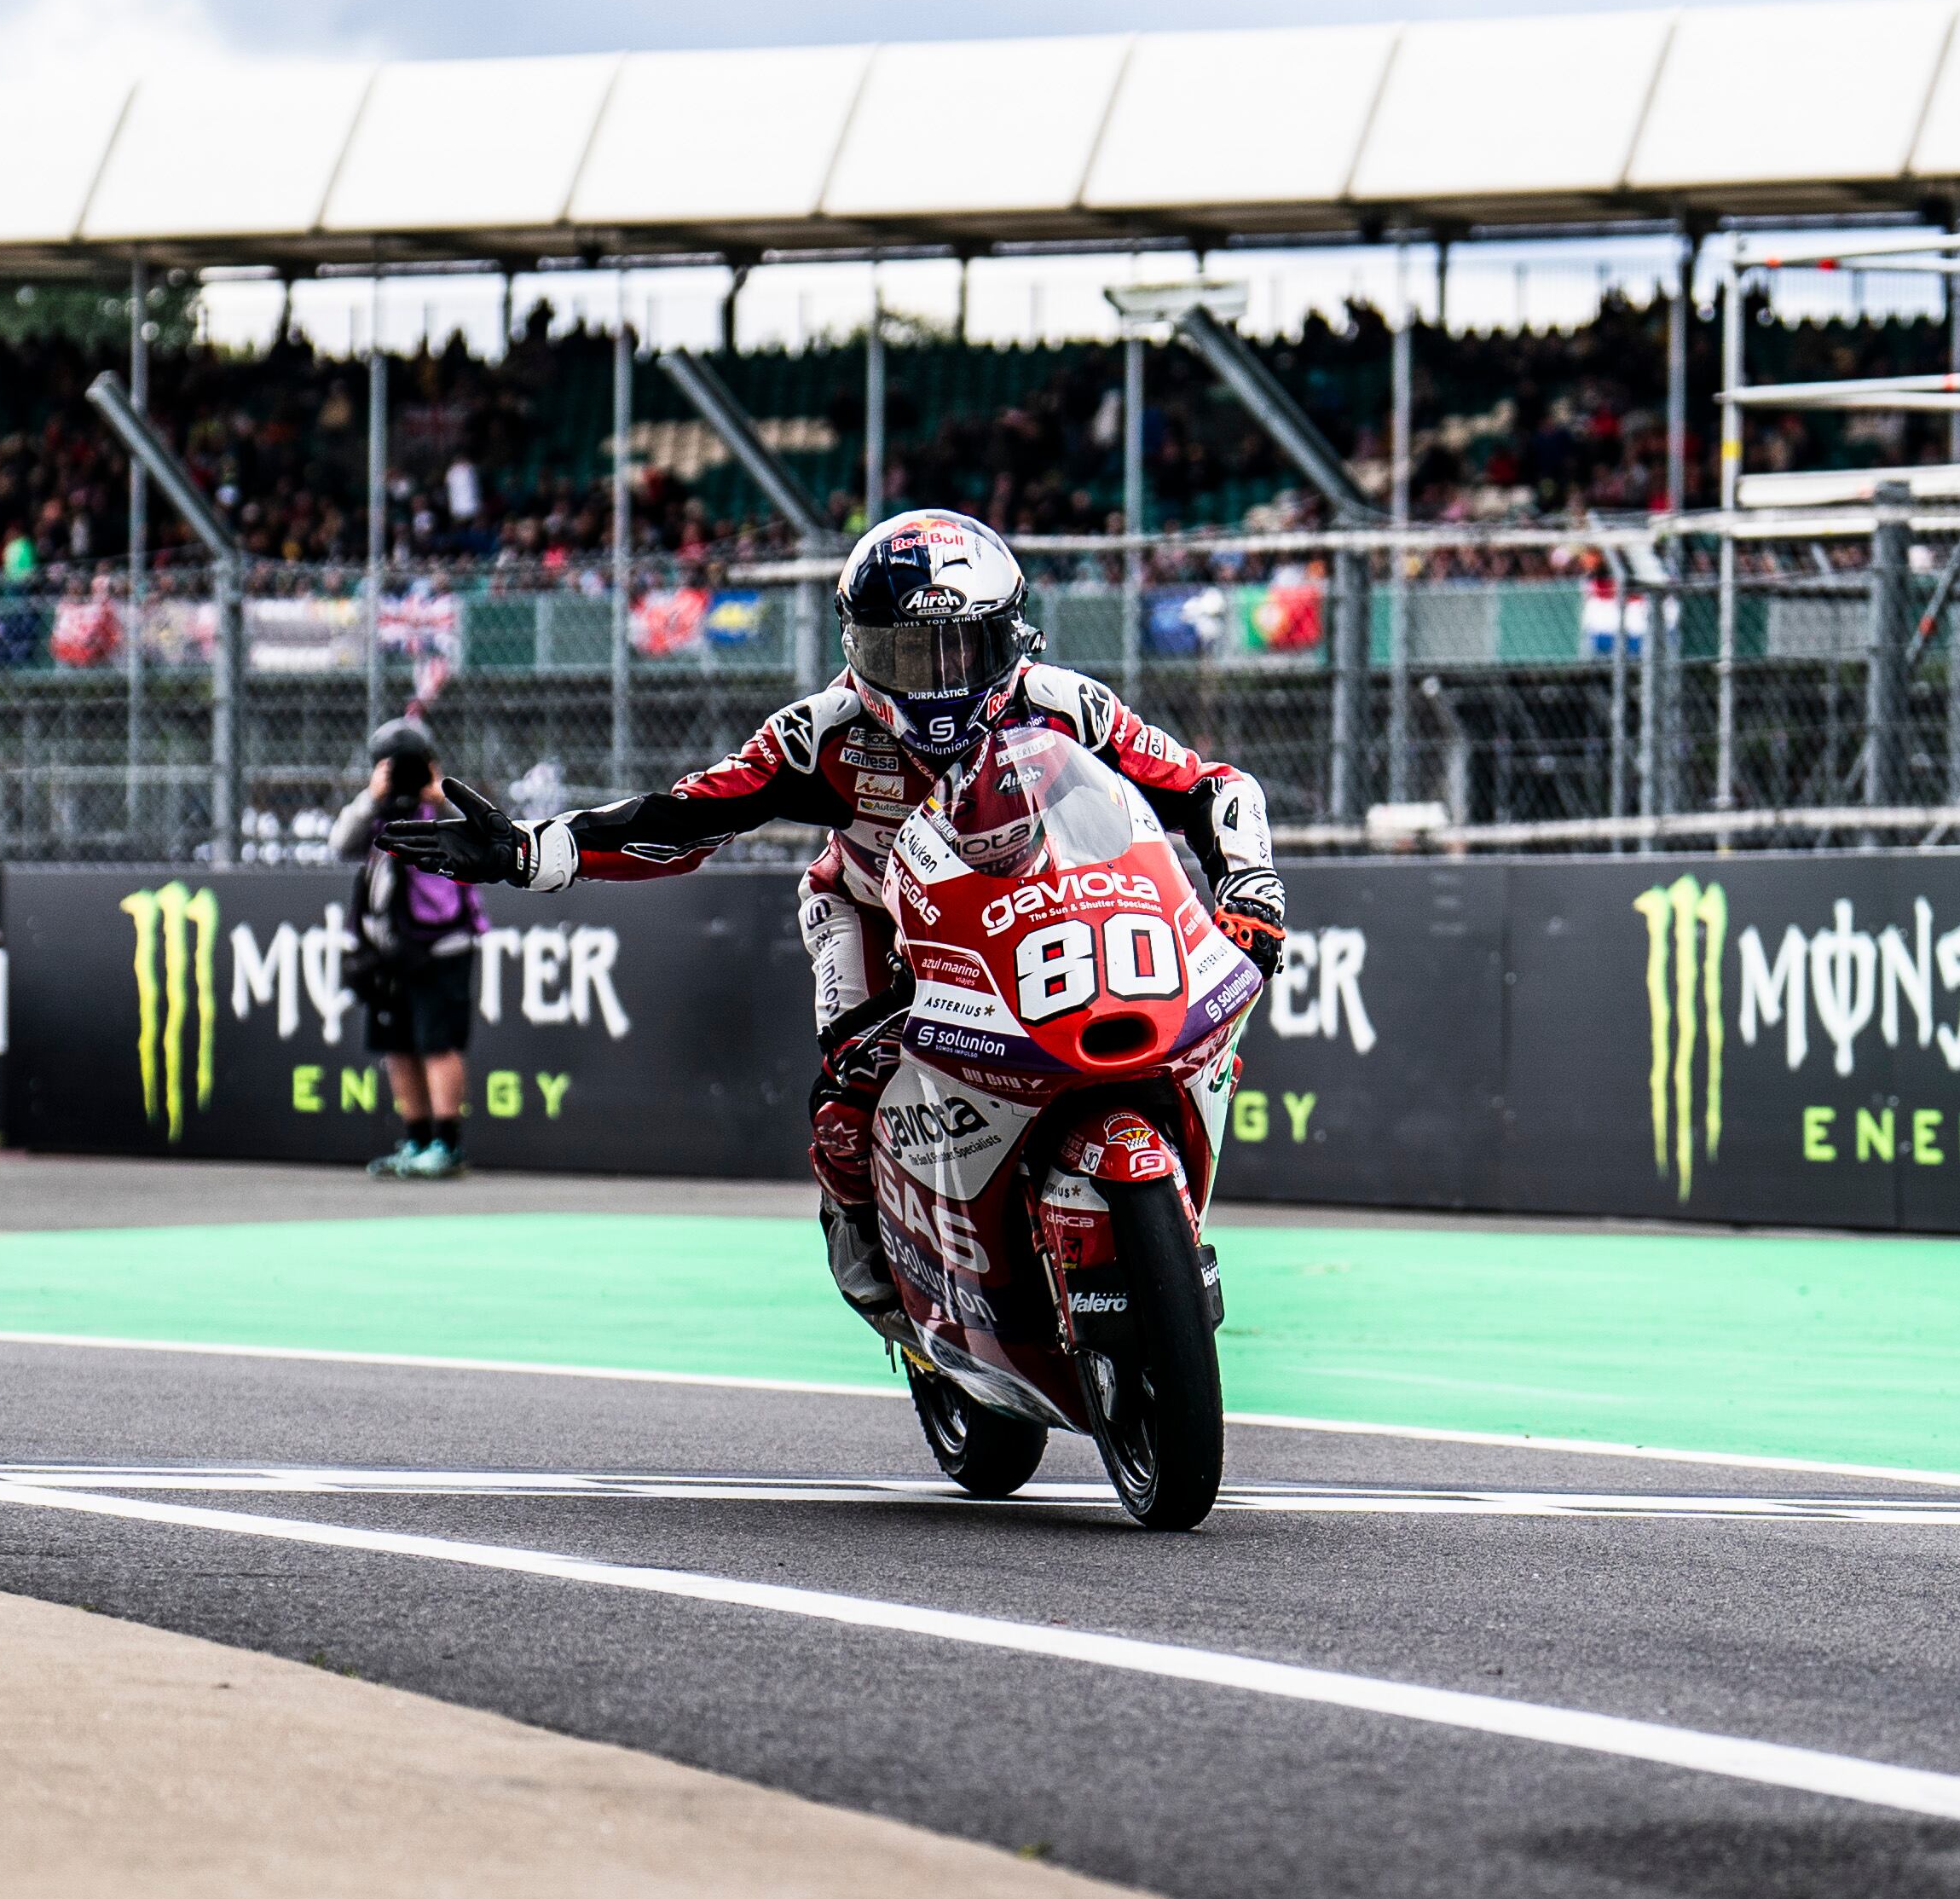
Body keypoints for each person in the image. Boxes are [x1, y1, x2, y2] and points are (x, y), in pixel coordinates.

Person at [381, 508, 1287, 1314]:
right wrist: (531, 851)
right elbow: (690, 817)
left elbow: (1211, 787)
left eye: (961, 651)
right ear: (858, 652)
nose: (936, 683)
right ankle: (874, 1251)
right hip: (872, 918)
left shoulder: (1068, 708)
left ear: (1012, 641)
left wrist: (1249, 887)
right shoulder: (823, 732)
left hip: (1047, 916)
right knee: (850, 1099)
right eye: (906, 655)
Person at [328, 715, 487, 1179]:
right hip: (388, 952)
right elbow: (340, 845)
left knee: (438, 1043)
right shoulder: (376, 815)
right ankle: (415, 1139)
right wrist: (372, 797)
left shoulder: (444, 810)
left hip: (442, 948)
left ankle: (446, 1144)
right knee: (396, 1045)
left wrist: (442, 797)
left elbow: (487, 842)